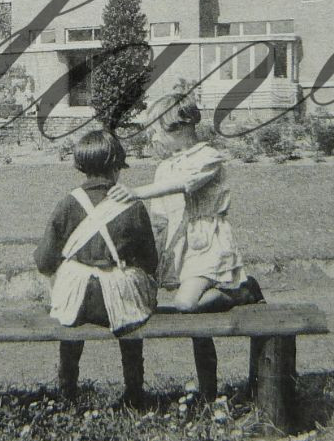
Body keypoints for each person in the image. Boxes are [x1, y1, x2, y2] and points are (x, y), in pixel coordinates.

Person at [108, 98, 262, 399]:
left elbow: (184, 183)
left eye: (158, 131)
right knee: (196, 324)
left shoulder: (207, 157)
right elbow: (162, 217)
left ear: (183, 127)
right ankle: (208, 391)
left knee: (186, 304)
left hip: (207, 240)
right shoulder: (165, 167)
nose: (154, 138)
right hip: (181, 243)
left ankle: (242, 289)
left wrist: (135, 192)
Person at [34, 128, 159, 407]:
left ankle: (67, 391)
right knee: (131, 321)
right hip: (118, 299)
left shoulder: (68, 203)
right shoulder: (132, 205)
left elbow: (44, 261)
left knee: (70, 322)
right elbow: (150, 260)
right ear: (117, 166)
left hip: (78, 301)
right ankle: (134, 392)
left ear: (81, 165)